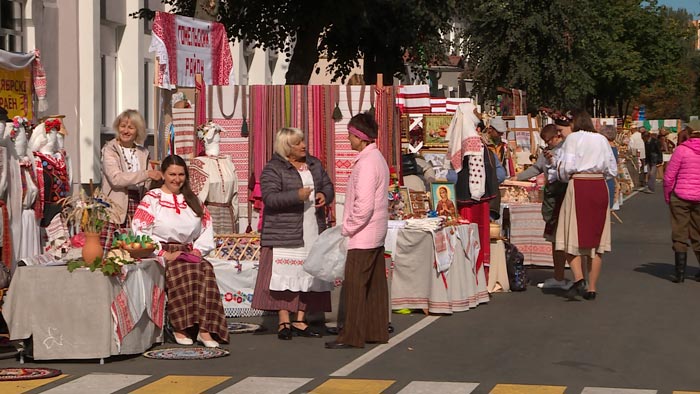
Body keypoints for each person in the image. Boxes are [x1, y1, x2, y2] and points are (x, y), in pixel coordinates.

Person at [131, 155, 228, 347]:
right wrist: (162, 253)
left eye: (181, 174)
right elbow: (139, 229)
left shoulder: (193, 200)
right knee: (182, 271)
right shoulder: (153, 198)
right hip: (161, 251)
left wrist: (199, 251)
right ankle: (180, 326)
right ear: (164, 176)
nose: (177, 179)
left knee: (205, 269)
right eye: (172, 174)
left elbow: (206, 227)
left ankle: (204, 329)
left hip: (189, 251)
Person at [252, 127, 335, 341]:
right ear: (286, 147)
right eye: (298, 143)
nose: (303, 146)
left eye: (303, 141)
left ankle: (300, 318)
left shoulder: (314, 165)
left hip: (311, 228)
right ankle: (283, 320)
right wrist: (296, 195)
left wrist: (325, 195)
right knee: (284, 277)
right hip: (284, 231)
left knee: (307, 275)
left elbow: (327, 185)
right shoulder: (273, 169)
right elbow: (269, 198)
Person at [325, 112, 389, 349]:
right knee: (374, 287)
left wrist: (348, 228)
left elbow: (363, 206)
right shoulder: (377, 159)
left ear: (361, 138)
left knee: (355, 287)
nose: (348, 139)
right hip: (375, 231)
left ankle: (352, 336)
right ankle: (375, 330)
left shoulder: (367, 164)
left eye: (351, 135)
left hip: (364, 234)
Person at [551, 110, 617, 300]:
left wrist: (562, 173)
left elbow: (566, 168)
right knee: (596, 241)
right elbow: (611, 170)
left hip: (579, 184)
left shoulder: (573, 139)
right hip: (598, 185)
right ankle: (592, 287)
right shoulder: (601, 140)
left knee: (569, 234)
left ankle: (579, 278)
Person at [512, 123, 570, 290]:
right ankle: (559, 276)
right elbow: (537, 168)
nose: (547, 143)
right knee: (555, 240)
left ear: (557, 136)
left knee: (563, 239)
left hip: (561, 196)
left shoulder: (565, 149)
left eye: (549, 140)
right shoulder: (546, 152)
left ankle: (570, 277)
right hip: (551, 197)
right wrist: (518, 177)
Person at [102, 110, 162, 255]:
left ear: (137, 131)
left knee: (135, 248)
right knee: (112, 250)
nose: (126, 131)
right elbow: (116, 179)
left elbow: (148, 183)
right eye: (123, 126)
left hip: (137, 204)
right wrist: (146, 174)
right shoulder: (110, 149)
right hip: (116, 205)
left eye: (131, 127)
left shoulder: (143, 152)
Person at [663, 120, 700, 283]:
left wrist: (667, 195)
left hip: (680, 197)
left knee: (680, 233)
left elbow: (669, 176)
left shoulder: (682, 150)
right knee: (698, 234)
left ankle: (680, 273)